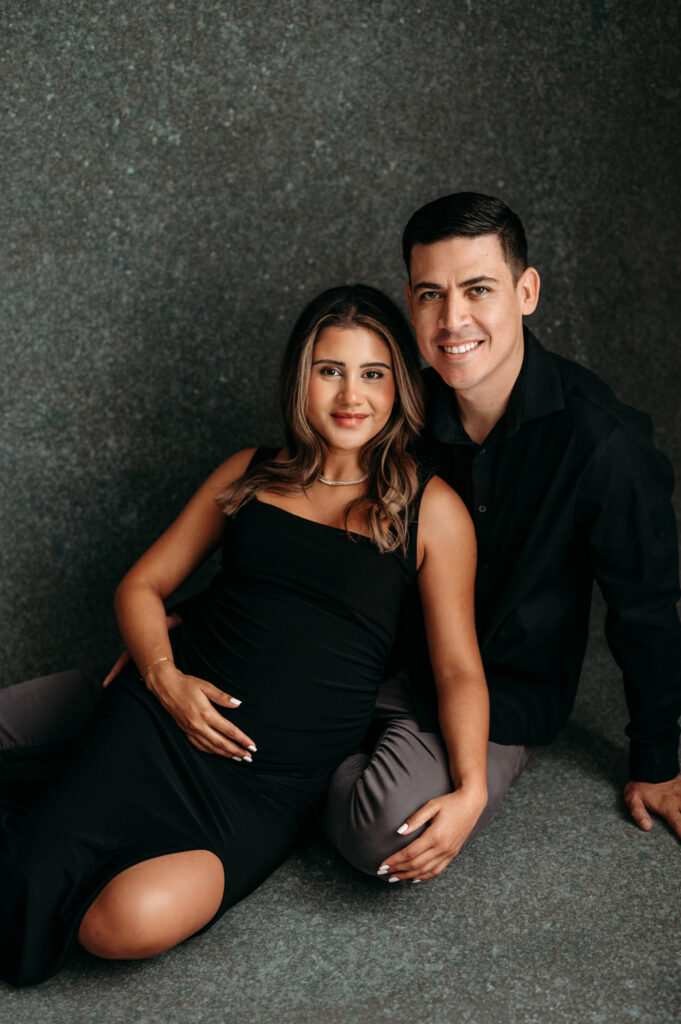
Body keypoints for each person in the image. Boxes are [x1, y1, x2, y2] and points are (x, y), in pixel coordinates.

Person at [3, 191, 681, 886]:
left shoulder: (602, 443)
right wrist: (193, 625)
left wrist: (657, 761)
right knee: (83, 712)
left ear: (525, 290)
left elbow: (648, 611)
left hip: (489, 688)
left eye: (478, 290)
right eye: (428, 296)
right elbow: (300, 533)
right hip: (315, 654)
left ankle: (282, 777)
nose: (453, 321)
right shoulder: (389, 406)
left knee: (382, 832)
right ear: (408, 305)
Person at [0, 284, 489, 987]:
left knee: (123, 926)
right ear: (301, 379)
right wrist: (166, 680)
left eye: (372, 373)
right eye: (330, 370)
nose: (351, 394)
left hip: (265, 788)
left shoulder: (430, 511)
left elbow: (457, 669)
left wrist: (470, 789)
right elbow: (140, 587)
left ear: (399, 387)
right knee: (30, 877)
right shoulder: (248, 474)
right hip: (159, 724)